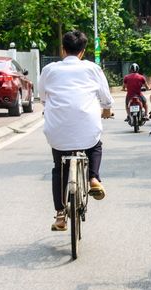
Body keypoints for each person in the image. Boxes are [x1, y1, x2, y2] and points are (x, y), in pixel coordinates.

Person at [39, 30, 114, 231]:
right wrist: (106, 109)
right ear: (82, 51)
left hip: (57, 130)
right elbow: (105, 96)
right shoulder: (92, 68)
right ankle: (93, 178)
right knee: (95, 145)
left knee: (58, 167)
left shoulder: (49, 70)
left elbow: (43, 97)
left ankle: (60, 215)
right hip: (87, 127)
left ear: (63, 50)